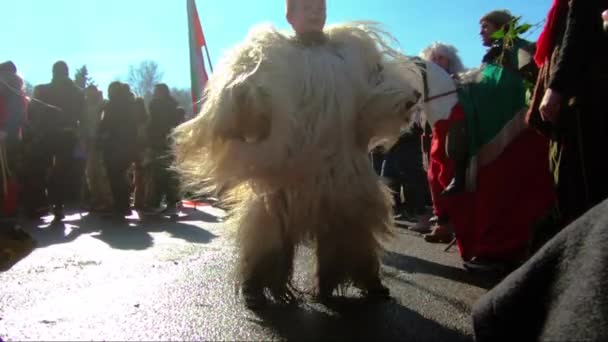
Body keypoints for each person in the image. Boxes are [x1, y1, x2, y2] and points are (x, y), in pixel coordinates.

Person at [172, 0, 421, 308]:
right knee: (274, 223)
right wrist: (244, 102)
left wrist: (400, 99)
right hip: (288, 163)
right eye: (306, 6)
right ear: (290, 16)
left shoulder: (352, 53)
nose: (316, 11)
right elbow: (244, 92)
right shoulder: (271, 54)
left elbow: (379, 86)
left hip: (342, 160)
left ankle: (360, 278)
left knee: (351, 221)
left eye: (320, 6)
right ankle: (259, 283)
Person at [527, 0, 608, 242]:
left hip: (585, 96)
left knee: (579, 183)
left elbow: (579, 29)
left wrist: (556, 87)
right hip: (585, 91)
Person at [415, 43, 465, 240]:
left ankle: (457, 224)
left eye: (441, 58)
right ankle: (443, 222)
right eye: (433, 59)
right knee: (434, 177)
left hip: (454, 132)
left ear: (450, 60)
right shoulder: (425, 86)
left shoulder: (461, 80)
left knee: (449, 174)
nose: (436, 62)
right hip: (435, 133)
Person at [34, 61, 86, 221]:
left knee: (42, 168)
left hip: (46, 135)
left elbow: (35, 113)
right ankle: (58, 204)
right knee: (62, 171)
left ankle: (41, 201)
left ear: (53, 72)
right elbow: (82, 116)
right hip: (67, 135)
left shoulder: (42, 90)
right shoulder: (77, 92)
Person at [97, 82, 137, 218]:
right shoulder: (131, 104)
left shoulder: (112, 105)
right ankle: (124, 204)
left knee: (115, 177)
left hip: (113, 146)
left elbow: (106, 125)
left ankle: (120, 206)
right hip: (128, 145)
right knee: (122, 175)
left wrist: (100, 135)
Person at [145, 84, 181, 214]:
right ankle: (169, 202)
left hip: (161, 144)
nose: (155, 94)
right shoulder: (173, 107)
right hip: (167, 143)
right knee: (167, 174)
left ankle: (161, 202)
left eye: (156, 92)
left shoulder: (157, 107)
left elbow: (154, 125)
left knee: (162, 174)